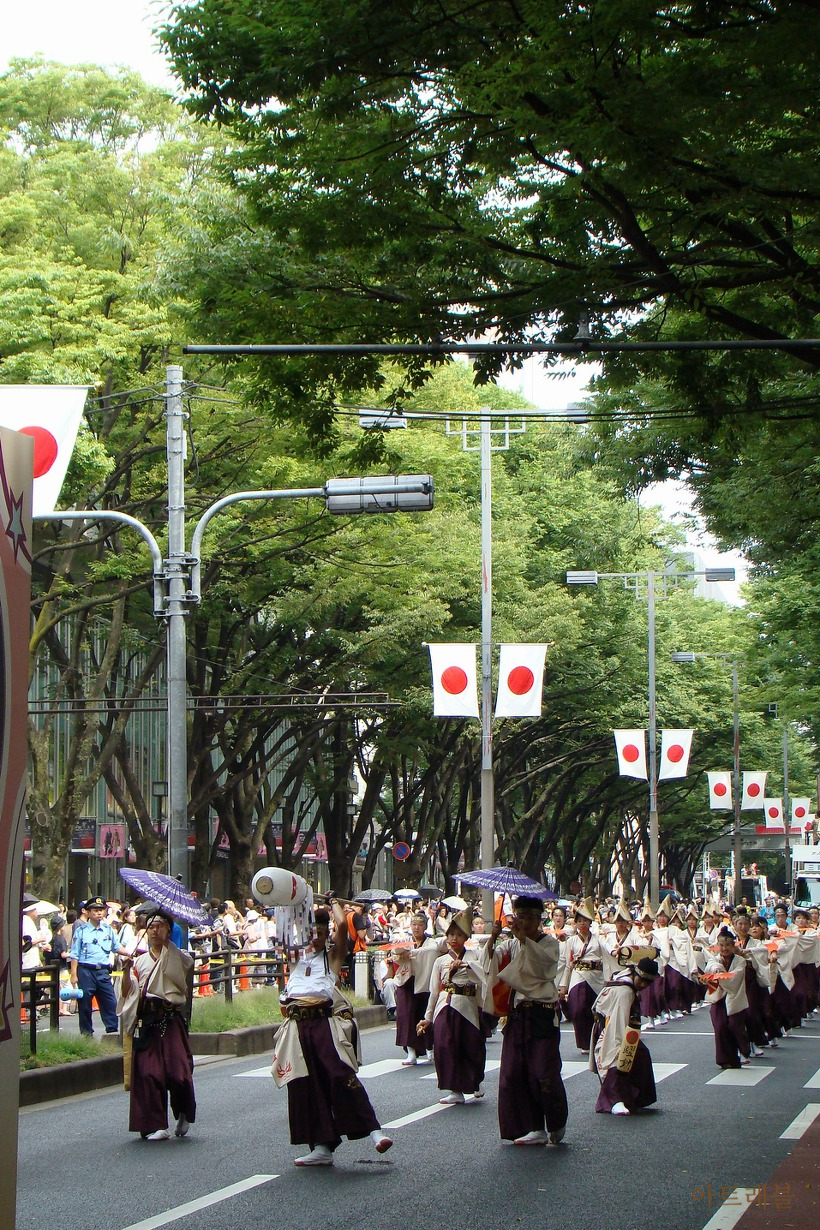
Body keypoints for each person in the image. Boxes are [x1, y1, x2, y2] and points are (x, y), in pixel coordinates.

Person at [271, 897, 392, 1167]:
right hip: (297, 1027)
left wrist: (333, 903)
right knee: (305, 1085)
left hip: (323, 1024)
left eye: (321, 933)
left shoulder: (332, 958)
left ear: (326, 936)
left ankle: (374, 1131)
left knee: (340, 1075)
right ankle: (321, 1146)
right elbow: (283, 933)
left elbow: (341, 925)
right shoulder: (296, 959)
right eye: (310, 932)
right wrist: (289, 902)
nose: (315, 937)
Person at [485, 895, 568, 1145]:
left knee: (543, 1072)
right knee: (515, 1073)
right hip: (518, 1014)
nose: (524, 922)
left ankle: (555, 1121)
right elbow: (491, 961)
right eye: (519, 917)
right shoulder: (511, 944)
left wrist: (523, 939)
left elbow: (543, 968)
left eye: (529, 917)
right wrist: (494, 936)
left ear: (539, 919)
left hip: (542, 1013)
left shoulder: (549, 943)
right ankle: (533, 1126)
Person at [118, 909, 196, 1141]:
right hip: (148, 1021)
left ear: (169, 930)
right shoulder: (139, 961)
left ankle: (183, 1110)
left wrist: (167, 947)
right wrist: (125, 971)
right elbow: (126, 993)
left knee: (178, 1071)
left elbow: (181, 975)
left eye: (160, 926)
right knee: (149, 1074)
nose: (154, 930)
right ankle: (155, 1124)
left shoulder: (179, 956)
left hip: (170, 1019)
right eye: (151, 927)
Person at [418, 908, 487, 1104]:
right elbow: (434, 990)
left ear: (466, 937)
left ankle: (475, 1081)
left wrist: (466, 966)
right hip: (444, 1005)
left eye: (459, 935)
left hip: (467, 1006)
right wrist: (428, 1017)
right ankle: (454, 1089)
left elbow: (482, 978)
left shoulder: (474, 955)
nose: (454, 938)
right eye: (451, 934)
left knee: (470, 1046)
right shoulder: (440, 961)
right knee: (445, 1046)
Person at [591, 956, 661, 1115]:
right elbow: (618, 1024)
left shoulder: (623, 977)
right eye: (641, 980)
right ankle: (614, 1100)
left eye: (647, 983)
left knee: (641, 1056)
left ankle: (635, 1098)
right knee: (618, 1058)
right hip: (612, 1027)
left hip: (618, 1024)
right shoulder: (625, 991)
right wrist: (622, 1043)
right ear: (636, 973)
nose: (643, 985)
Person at [69, 896, 127, 1035]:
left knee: (110, 1002)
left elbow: (116, 947)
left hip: (103, 971)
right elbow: (75, 954)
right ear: (88, 912)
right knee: (85, 1004)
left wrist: (130, 953)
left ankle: (112, 1031)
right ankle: (86, 1033)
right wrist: (73, 974)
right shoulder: (81, 931)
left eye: (101, 910)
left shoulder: (108, 930)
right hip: (86, 971)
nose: (99, 913)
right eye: (95, 910)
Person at [390, 912, 443, 1064]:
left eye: (420, 925)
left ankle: (429, 1047)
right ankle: (411, 1051)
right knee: (406, 1016)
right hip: (407, 981)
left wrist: (414, 952)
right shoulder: (405, 941)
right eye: (413, 924)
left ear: (425, 926)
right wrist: (401, 955)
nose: (416, 928)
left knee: (425, 1014)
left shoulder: (431, 943)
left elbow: (433, 952)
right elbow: (394, 955)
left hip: (425, 981)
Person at [558, 897, 606, 1053]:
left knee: (596, 1010)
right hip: (578, 976)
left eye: (585, 920)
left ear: (590, 922)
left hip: (596, 977)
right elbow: (567, 964)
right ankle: (584, 1043)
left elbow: (607, 957)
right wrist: (564, 986)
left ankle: (598, 1040)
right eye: (579, 920)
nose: (582, 923)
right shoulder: (571, 941)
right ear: (575, 923)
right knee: (578, 1010)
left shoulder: (598, 940)